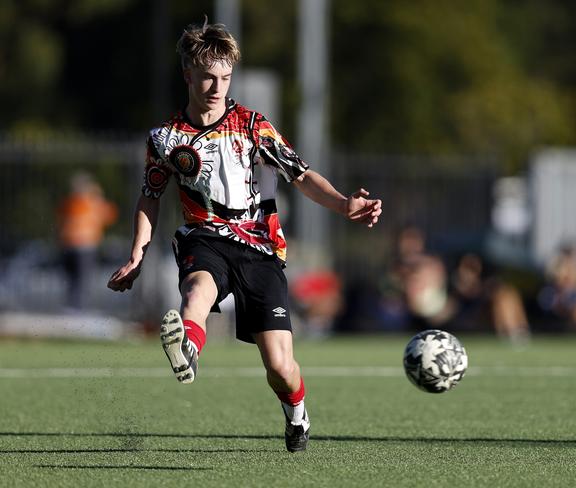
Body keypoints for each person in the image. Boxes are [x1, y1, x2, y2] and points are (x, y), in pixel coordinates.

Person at [107, 19, 382, 453]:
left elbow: (302, 175)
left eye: (225, 77)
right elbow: (150, 196)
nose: (217, 87)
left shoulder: (252, 125)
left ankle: (297, 415)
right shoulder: (165, 139)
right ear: (188, 75)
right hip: (204, 238)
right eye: (208, 77)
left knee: (280, 366)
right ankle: (188, 351)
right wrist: (138, 253)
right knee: (196, 290)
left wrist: (344, 203)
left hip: (260, 248)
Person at [58, 172, 117, 309]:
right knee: (75, 279)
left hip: (83, 245)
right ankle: (75, 306)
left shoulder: (90, 203)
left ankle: (78, 307)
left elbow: (108, 215)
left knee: (80, 279)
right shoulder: (76, 202)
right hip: (75, 244)